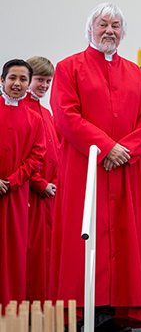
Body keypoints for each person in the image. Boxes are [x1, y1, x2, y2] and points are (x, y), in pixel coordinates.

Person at [49, 3, 141, 332]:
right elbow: (65, 115)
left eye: (116, 25)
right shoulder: (69, 68)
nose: (109, 30)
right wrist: (107, 147)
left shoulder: (136, 75)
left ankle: (116, 310)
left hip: (124, 170)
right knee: (84, 235)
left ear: (123, 33)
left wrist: (126, 150)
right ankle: (83, 310)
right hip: (84, 168)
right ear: (90, 29)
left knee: (123, 237)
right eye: (102, 24)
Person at [0, 59, 46, 307]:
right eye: (12, 78)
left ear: (28, 84)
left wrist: (11, 181)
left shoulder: (34, 118)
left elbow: (37, 156)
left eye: (23, 79)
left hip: (16, 195)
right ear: (2, 81)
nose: (17, 84)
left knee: (14, 255)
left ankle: (10, 314)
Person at [23, 56, 60, 303]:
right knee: (32, 253)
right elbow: (23, 155)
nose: (44, 86)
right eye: (39, 80)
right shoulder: (21, 109)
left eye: (48, 81)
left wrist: (55, 182)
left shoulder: (47, 112)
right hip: (30, 192)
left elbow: (57, 151)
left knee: (50, 254)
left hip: (51, 194)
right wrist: (40, 184)